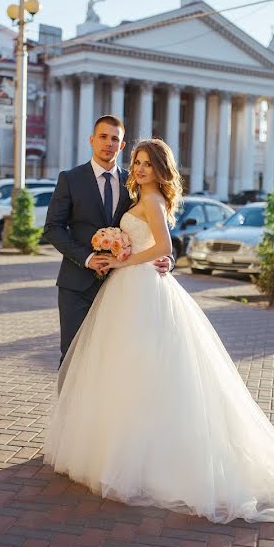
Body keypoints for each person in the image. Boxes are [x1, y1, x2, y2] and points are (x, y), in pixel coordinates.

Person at [44, 138, 274, 524]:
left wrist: (123, 260)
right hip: (126, 290)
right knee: (123, 369)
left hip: (142, 288)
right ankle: (115, 449)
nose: (139, 169)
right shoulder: (136, 198)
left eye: (147, 164)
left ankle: (151, 462)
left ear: (161, 169)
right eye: (137, 162)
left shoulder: (154, 201)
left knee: (150, 370)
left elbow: (162, 246)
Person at [44, 115, 172, 366]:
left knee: (112, 363)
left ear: (122, 145)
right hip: (77, 286)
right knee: (73, 358)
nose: (108, 143)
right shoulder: (70, 179)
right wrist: (88, 258)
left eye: (115, 139)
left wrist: (168, 259)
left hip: (120, 289)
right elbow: (52, 228)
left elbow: (156, 231)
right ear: (92, 140)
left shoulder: (135, 182)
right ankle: (69, 407)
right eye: (103, 137)